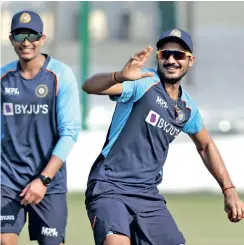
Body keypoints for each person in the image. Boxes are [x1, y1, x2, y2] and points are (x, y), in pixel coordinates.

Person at [82, 28, 244, 245]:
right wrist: (118, 76)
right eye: (165, 54)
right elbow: (89, 87)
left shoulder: (187, 108)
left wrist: (229, 189)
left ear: (190, 60)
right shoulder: (143, 82)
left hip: (147, 195)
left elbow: (205, 145)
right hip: (110, 186)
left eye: (178, 55)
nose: (171, 60)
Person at [1, 10, 81, 245]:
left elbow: (70, 132)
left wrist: (43, 180)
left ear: (42, 38)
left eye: (32, 35)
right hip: (7, 177)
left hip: (49, 180)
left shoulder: (61, 75)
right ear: (11, 39)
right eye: (19, 35)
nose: (26, 42)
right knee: (5, 240)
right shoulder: (3, 77)